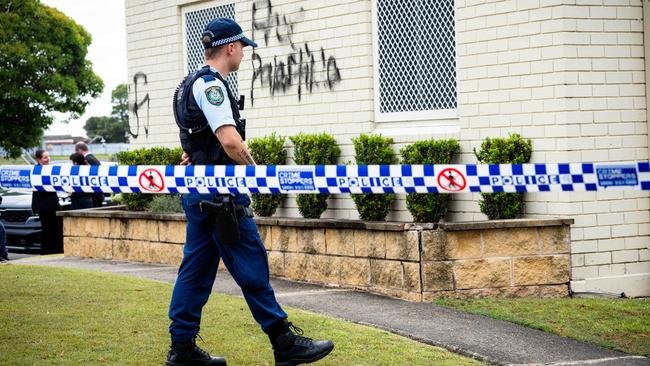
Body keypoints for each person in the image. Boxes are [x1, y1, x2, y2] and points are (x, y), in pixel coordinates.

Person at [168, 18, 334, 366]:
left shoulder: (187, 83)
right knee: (251, 263)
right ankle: (284, 342)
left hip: (198, 192)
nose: (244, 52)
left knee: (195, 271)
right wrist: (256, 172)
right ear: (230, 47)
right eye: (242, 46)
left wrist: (196, 157)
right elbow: (229, 140)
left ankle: (182, 349)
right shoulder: (212, 85)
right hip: (221, 194)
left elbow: (197, 138)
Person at [31, 150, 63, 254]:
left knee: (56, 229)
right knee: (48, 230)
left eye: (48, 157)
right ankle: (48, 251)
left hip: (52, 204)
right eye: (45, 157)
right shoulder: (37, 170)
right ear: (39, 159)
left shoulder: (48, 169)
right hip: (45, 206)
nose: (48, 159)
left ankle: (56, 249)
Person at [74, 142, 103, 207]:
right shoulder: (94, 158)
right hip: (98, 193)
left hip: (93, 195)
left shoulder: (87, 159)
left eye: (76, 152)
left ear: (79, 150)